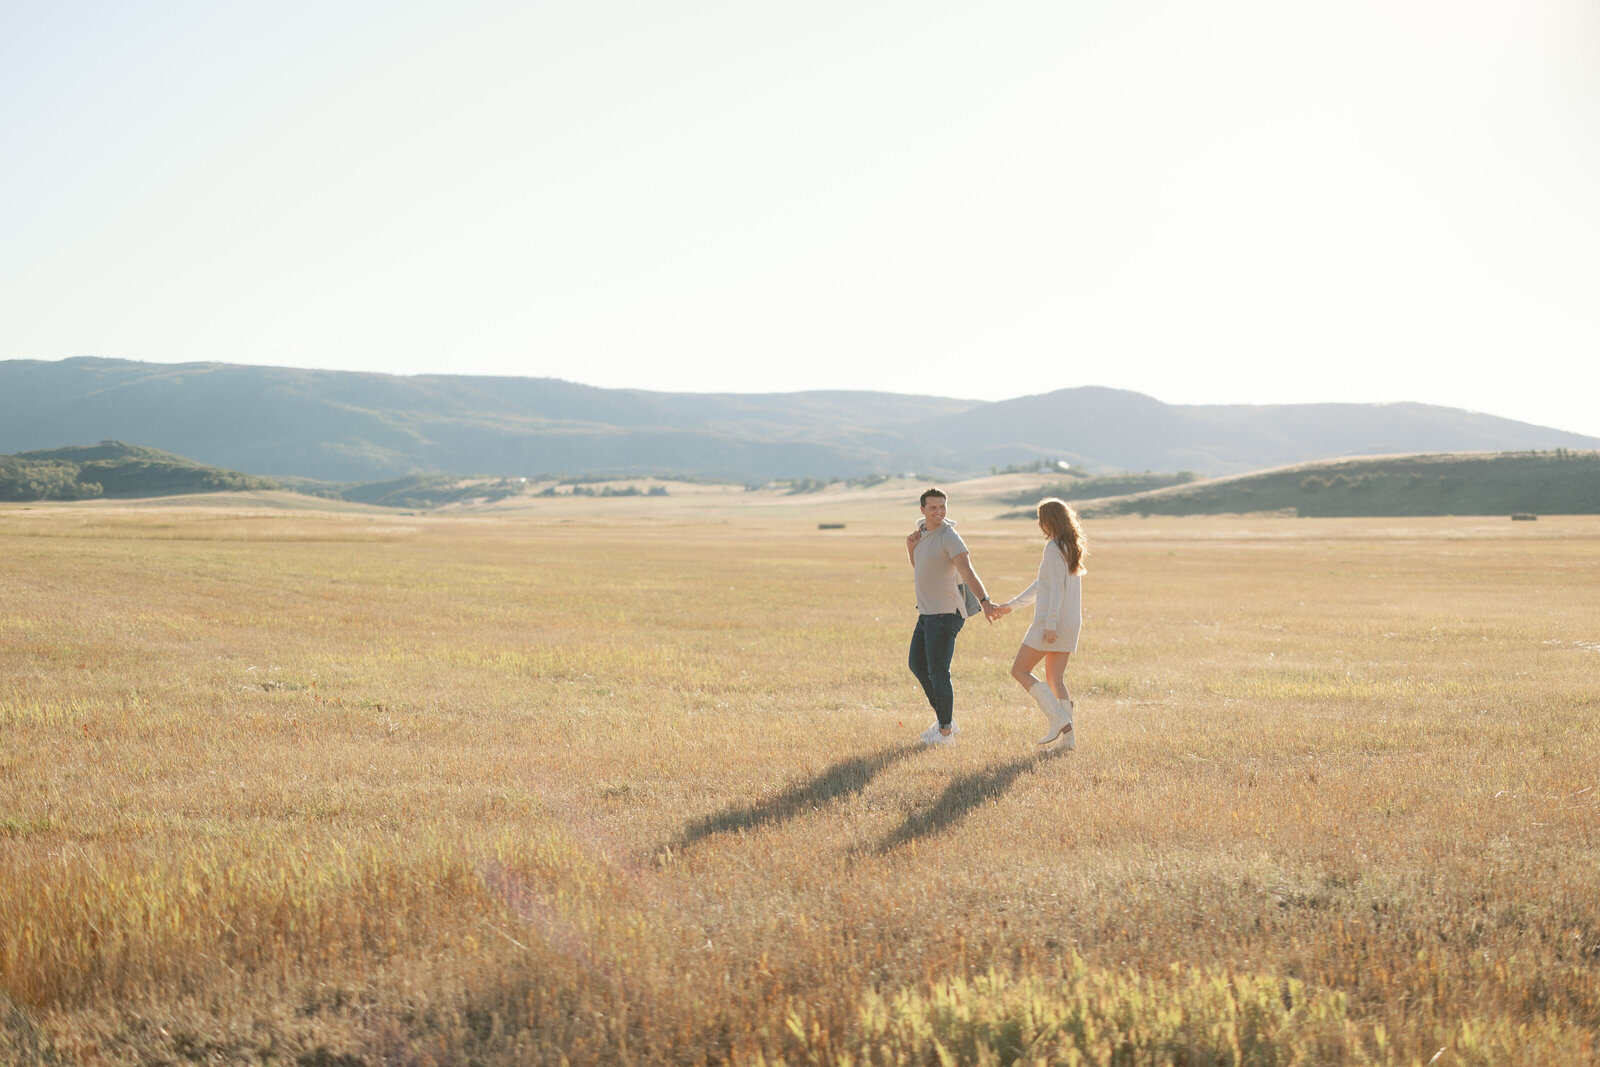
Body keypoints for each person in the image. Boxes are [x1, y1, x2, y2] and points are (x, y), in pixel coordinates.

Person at [904, 487, 1002, 746]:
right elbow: (923, 568)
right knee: (917, 665)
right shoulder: (922, 534)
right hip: (926, 614)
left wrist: (985, 601)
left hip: (945, 614)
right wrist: (910, 548)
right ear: (922, 510)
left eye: (942, 507)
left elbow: (968, 571)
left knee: (938, 672)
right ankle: (944, 720)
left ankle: (945, 733)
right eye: (933, 507)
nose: (939, 512)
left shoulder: (950, 536)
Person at [994, 498, 1087, 748]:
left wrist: (1050, 624)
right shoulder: (1071, 546)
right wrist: (1011, 606)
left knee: (1019, 670)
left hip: (1052, 622)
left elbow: (1055, 590)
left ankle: (1057, 719)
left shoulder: (1054, 548)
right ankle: (1069, 739)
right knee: (1055, 679)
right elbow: (1042, 585)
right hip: (1069, 622)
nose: (1039, 524)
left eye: (1040, 519)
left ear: (1050, 521)